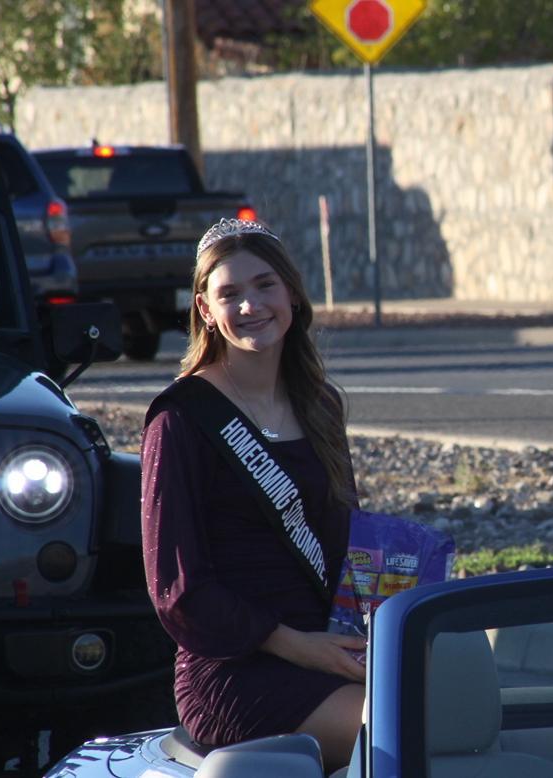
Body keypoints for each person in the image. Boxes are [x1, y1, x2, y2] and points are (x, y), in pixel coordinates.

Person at [141, 218, 363, 771]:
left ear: (292, 292)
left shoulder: (321, 405)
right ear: (204, 308)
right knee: (406, 728)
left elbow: (345, 538)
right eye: (230, 294)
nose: (250, 305)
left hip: (327, 648)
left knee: (458, 707)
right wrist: (294, 644)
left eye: (265, 285)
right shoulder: (182, 419)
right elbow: (178, 591)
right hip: (236, 670)